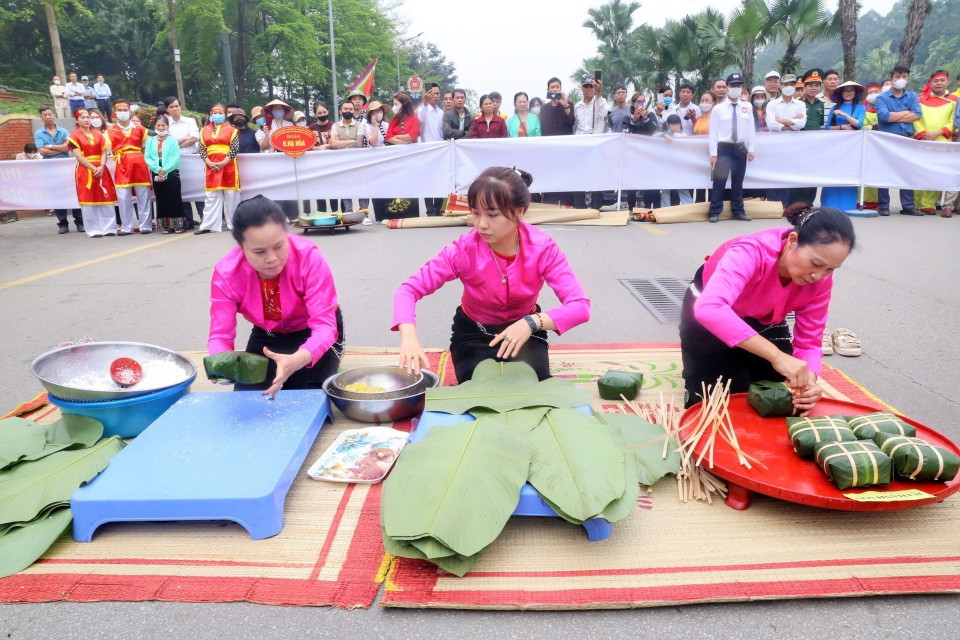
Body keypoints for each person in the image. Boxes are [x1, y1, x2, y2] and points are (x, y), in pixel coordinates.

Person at [393, 167, 590, 382]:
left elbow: (580, 306)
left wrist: (532, 323)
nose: (481, 224)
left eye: (492, 214)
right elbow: (408, 290)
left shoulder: (543, 248)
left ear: (519, 212)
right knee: (478, 394)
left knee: (532, 389)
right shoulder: (463, 250)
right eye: (475, 213)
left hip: (526, 331)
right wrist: (409, 337)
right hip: (474, 333)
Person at [680, 206, 856, 413]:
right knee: (716, 398)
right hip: (710, 310)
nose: (818, 276)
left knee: (784, 390)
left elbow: (809, 343)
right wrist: (777, 356)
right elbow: (710, 309)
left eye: (830, 269)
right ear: (792, 241)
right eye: (816, 263)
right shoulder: (750, 251)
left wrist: (809, 380)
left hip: (763, 316)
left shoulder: (820, 281)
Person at [207, 195, 344, 397]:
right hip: (267, 335)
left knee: (305, 396)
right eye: (259, 251)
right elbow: (220, 335)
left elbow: (325, 326)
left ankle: (326, 367)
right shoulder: (226, 272)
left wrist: (298, 359)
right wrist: (221, 362)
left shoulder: (309, 257)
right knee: (248, 397)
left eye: (279, 246)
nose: (271, 259)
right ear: (241, 246)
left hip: (313, 331)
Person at [708, 73, 755, 224]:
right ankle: (715, 211)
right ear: (727, 87)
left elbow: (750, 130)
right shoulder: (718, 108)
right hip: (724, 148)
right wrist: (713, 153)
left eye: (738, 86)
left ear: (742, 88)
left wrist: (751, 148)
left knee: (738, 181)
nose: (735, 89)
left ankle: (738, 211)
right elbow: (713, 132)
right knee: (719, 181)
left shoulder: (746, 107)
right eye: (733, 86)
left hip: (740, 148)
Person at [875, 66, 921, 216]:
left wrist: (895, 115)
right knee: (883, 171)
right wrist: (906, 113)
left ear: (908, 79)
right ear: (891, 79)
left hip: (907, 138)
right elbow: (884, 117)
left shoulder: (912, 96)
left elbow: (917, 115)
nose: (901, 79)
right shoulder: (882, 98)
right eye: (898, 76)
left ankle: (908, 206)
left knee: (907, 172)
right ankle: (883, 206)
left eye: (905, 76)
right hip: (887, 139)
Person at [67, 108, 118, 237]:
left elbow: (103, 151)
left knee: (105, 197)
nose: (86, 120)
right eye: (82, 117)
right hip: (85, 170)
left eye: (88, 117)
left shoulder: (98, 134)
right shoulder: (74, 136)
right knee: (89, 199)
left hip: (101, 168)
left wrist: (101, 166)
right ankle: (93, 229)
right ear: (76, 120)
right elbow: (78, 156)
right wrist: (92, 167)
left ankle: (109, 228)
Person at [912, 69, 957, 214]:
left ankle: (928, 203)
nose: (939, 84)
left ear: (948, 82)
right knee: (920, 171)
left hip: (943, 141)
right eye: (936, 81)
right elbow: (915, 118)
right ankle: (917, 202)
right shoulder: (920, 100)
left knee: (936, 172)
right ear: (930, 83)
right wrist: (923, 134)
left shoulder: (954, 100)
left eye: (942, 80)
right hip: (923, 141)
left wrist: (938, 132)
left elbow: (954, 121)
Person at [106, 100, 153, 235]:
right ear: (115, 113)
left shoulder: (140, 129)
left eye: (124, 110)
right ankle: (127, 227)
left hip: (139, 163)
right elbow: (109, 150)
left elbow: (146, 149)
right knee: (123, 197)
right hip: (122, 164)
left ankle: (146, 225)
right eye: (119, 110)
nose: (122, 113)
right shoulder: (110, 131)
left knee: (143, 196)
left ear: (130, 112)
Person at [35, 106, 83, 234]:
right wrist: (59, 147)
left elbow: (67, 148)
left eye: (50, 114)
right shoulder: (39, 133)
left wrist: (50, 146)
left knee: (73, 193)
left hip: (66, 167)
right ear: (41, 117)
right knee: (56, 194)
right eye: (45, 115)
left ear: (54, 115)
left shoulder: (64, 131)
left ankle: (79, 222)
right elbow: (41, 150)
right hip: (50, 168)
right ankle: (62, 224)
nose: (48, 117)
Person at [821, 82, 866, 211]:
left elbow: (859, 123)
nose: (848, 93)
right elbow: (827, 127)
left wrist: (844, 115)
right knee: (833, 172)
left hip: (853, 147)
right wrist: (842, 127)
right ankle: (829, 205)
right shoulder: (834, 108)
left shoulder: (860, 108)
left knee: (849, 173)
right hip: (836, 146)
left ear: (855, 93)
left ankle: (848, 205)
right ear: (841, 93)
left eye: (851, 90)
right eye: (845, 91)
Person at [196, 104, 240, 234]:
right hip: (211, 165)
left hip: (228, 164)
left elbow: (235, 148)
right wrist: (209, 162)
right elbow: (202, 148)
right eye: (215, 112)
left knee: (231, 194)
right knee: (212, 195)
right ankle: (209, 225)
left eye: (220, 113)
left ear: (225, 115)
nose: (218, 115)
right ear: (210, 114)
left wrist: (224, 162)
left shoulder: (231, 129)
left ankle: (235, 224)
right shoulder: (203, 130)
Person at [376, 93, 421, 220]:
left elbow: (412, 136)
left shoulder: (414, 118)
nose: (394, 106)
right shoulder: (395, 119)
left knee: (409, 184)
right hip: (395, 157)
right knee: (395, 183)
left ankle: (409, 213)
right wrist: (404, 141)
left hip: (410, 158)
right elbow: (389, 137)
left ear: (404, 104)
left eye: (396, 104)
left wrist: (399, 138)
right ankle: (394, 213)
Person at [765, 74, 806, 208]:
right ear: (780, 86)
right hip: (775, 145)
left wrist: (781, 120)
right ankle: (772, 205)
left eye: (792, 84)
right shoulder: (772, 104)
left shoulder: (800, 104)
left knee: (787, 175)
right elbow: (771, 125)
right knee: (773, 174)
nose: (789, 87)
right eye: (786, 84)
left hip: (792, 146)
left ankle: (784, 205)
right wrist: (792, 122)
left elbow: (801, 124)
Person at [164, 96, 202, 228]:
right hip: (175, 161)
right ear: (167, 109)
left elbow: (195, 138)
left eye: (176, 106)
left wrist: (176, 142)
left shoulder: (190, 121)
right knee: (181, 191)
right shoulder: (166, 123)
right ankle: (188, 221)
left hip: (192, 159)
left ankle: (205, 219)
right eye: (171, 107)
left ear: (180, 106)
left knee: (198, 190)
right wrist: (183, 140)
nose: (175, 109)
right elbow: (167, 144)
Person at [144, 114, 186, 234]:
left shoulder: (173, 141)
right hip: (156, 173)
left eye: (163, 125)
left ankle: (178, 225)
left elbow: (175, 158)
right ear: (155, 126)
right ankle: (166, 225)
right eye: (158, 125)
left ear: (167, 126)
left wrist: (165, 169)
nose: (161, 127)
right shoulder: (150, 141)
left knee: (174, 198)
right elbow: (148, 157)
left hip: (172, 172)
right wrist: (157, 169)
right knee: (161, 198)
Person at [539, 77, 576, 207]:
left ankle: (568, 205)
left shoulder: (568, 104)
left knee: (566, 176)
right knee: (550, 176)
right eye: (552, 87)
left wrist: (565, 105)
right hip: (549, 150)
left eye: (557, 87)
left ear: (561, 88)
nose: (555, 89)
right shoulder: (544, 108)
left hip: (565, 149)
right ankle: (550, 205)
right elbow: (543, 129)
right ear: (548, 90)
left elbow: (571, 122)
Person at [574, 76, 607, 209]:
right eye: (586, 87)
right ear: (582, 88)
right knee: (579, 176)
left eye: (591, 87)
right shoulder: (577, 106)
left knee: (596, 176)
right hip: (580, 144)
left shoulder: (601, 101)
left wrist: (599, 93)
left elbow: (603, 113)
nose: (588, 89)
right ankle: (580, 206)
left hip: (596, 144)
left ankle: (596, 206)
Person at [625, 92, 660, 210]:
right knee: (632, 182)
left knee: (650, 180)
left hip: (649, 154)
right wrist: (634, 121)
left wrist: (645, 118)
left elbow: (654, 131)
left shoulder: (651, 115)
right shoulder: (627, 117)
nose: (641, 104)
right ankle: (631, 207)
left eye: (643, 101)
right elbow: (625, 133)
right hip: (633, 155)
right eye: (638, 101)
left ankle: (652, 205)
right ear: (633, 103)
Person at [417, 83, 445, 215]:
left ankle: (437, 208)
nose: (435, 96)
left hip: (441, 150)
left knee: (441, 179)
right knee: (427, 180)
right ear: (426, 94)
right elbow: (421, 121)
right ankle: (429, 210)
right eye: (432, 93)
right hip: (427, 150)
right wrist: (425, 104)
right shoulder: (423, 110)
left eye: (437, 93)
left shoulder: (441, 112)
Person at [859, 83, 882, 211]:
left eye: (876, 91)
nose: (874, 94)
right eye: (871, 92)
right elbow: (861, 125)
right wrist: (871, 126)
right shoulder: (862, 109)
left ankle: (875, 202)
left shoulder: (884, 109)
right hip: (865, 146)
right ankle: (861, 201)